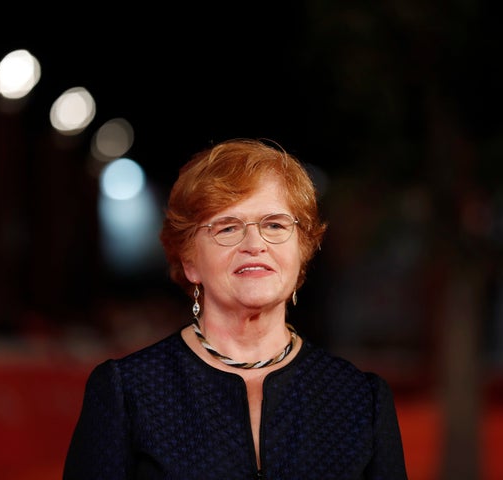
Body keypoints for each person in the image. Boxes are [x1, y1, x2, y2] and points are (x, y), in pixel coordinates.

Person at [62, 138, 408, 479]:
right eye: (228, 227)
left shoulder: (360, 399)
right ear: (190, 262)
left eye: (274, 224)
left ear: (302, 252)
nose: (255, 244)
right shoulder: (127, 392)